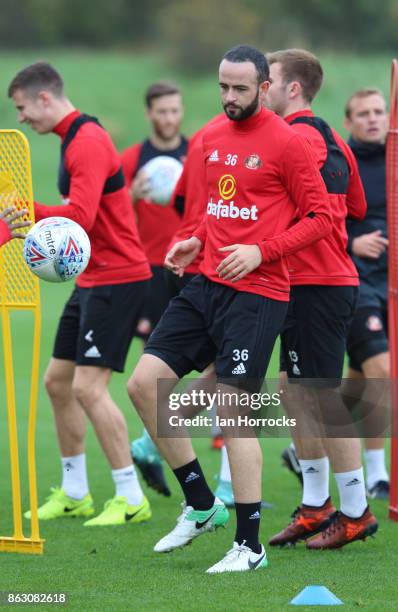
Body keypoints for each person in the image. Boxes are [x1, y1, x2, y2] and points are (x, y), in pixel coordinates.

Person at [127, 44, 333, 573]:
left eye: (240, 88)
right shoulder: (210, 138)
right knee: (143, 385)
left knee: (233, 412)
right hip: (204, 284)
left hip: (260, 293)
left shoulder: (288, 144)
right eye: (223, 86)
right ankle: (200, 506)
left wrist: (262, 251)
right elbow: (208, 211)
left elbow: (321, 219)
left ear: (265, 87)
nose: (229, 97)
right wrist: (191, 241)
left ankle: (250, 546)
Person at [8, 62, 152, 526]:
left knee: (89, 389)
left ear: (44, 98)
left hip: (118, 278)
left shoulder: (86, 141)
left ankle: (131, 497)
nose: (22, 119)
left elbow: (79, 220)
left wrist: (23, 212)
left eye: (23, 108)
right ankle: (75, 492)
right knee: (57, 383)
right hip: (92, 279)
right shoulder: (72, 138)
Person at [265, 49, 378, 549]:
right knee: (296, 392)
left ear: (292, 88)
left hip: (320, 284)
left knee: (323, 396)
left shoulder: (292, 140)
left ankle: (355, 511)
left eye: (266, 81)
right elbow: (355, 206)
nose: (258, 89)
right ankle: (316, 506)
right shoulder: (336, 140)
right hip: (305, 283)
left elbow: (309, 211)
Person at [121, 82, 188, 496]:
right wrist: (129, 197)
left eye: (174, 110)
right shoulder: (132, 159)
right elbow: (111, 217)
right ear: (149, 113)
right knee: (157, 369)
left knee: (177, 369)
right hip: (146, 272)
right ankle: (151, 446)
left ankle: (150, 447)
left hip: (186, 269)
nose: (168, 119)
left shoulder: (197, 153)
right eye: (161, 111)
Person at [343, 88, 398, 498]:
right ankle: (376, 473)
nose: (373, 119)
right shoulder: (339, 162)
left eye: (379, 112)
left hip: (392, 285)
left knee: (359, 381)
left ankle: (307, 444)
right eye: (363, 113)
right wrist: (353, 242)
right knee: (383, 372)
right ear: (348, 122)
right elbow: (316, 219)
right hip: (351, 282)